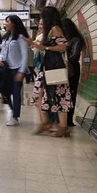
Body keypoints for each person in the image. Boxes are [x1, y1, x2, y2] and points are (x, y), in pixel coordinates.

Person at [28, 7, 73, 138]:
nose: (40, 21)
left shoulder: (55, 29)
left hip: (55, 68)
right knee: (38, 95)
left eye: (42, 17)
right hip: (46, 68)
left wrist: (45, 47)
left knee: (60, 97)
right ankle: (45, 122)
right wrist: (35, 44)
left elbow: (63, 46)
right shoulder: (48, 31)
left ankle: (63, 127)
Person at [0, 16, 29, 126]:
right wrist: (0, 59)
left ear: (14, 23)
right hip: (6, 68)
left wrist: (21, 71)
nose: (5, 23)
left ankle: (15, 117)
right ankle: (13, 110)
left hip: (17, 69)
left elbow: (25, 55)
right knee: (5, 91)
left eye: (7, 22)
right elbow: (3, 51)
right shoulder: (6, 37)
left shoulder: (20, 37)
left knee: (16, 93)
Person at [61, 18, 84, 127]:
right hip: (62, 68)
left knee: (71, 93)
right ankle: (62, 118)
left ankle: (69, 119)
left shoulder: (76, 40)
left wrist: (64, 57)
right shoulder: (61, 39)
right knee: (62, 93)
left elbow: (75, 56)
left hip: (72, 69)